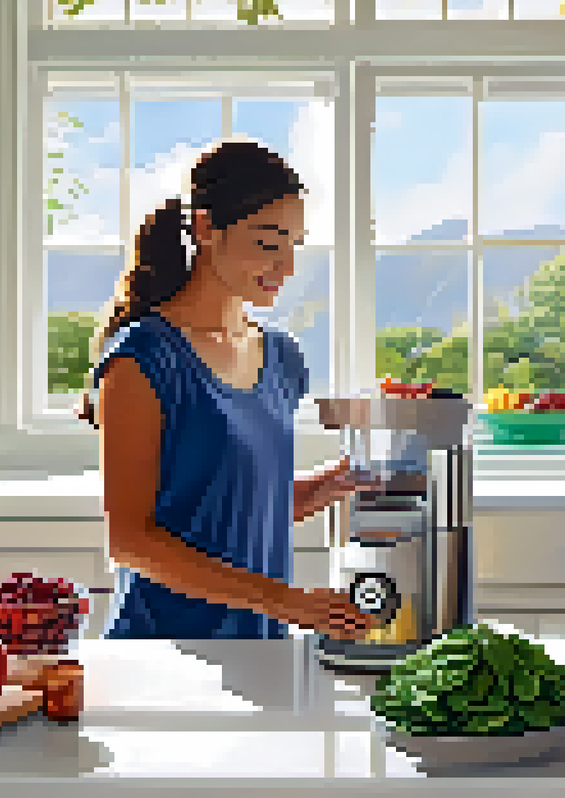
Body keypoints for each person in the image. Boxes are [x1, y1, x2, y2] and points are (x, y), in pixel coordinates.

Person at [79, 140, 375, 640]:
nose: (286, 267)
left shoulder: (282, 357)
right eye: (268, 242)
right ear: (205, 228)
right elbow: (131, 541)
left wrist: (326, 486)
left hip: (261, 650)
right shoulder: (144, 357)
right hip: (163, 651)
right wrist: (284, 600)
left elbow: (228, 508)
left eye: (295, 245)